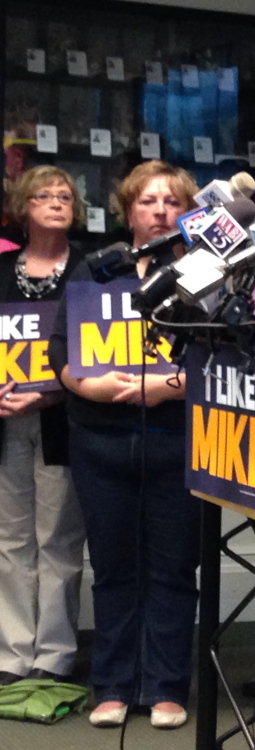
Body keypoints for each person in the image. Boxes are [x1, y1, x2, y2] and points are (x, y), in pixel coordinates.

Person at [48, 160, 199, 729]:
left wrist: (168, 387)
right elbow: (60, 347)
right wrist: (85, 383)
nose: (161, 210)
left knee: (172, 569)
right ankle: (111, 685)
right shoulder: (95, 268)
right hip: (99, 442)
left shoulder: (204, 275)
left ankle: (164, 687)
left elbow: (223, 357)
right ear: (127, 209)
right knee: (112, 569)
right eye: (148, 201)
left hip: (177, 441)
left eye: (173, 202)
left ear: (188, 213)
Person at [0, 166, 87, 685]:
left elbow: (96, 348)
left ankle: (52, 655)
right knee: (10, 539)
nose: (57, 202)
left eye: (65, 195)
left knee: (58, 539)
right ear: (22, 206)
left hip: (64, 421)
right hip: (6, 421)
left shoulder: (88, 272)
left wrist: (49, 392)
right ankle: (12, 654)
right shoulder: (0, 267)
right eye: (44, 195)